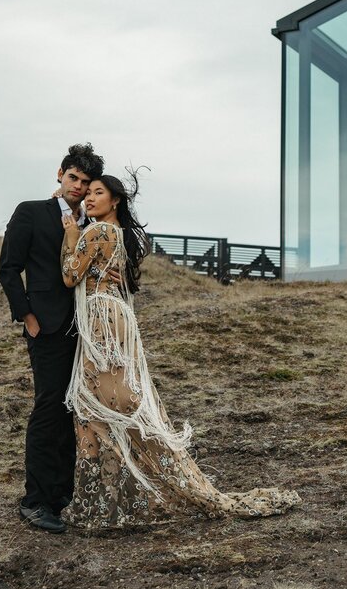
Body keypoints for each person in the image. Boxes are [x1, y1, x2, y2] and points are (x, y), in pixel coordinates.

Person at [59, 171, 300, 529]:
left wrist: (70, 233)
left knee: (97, 407)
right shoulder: (120, 235)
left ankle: (111, 499)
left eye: (98, 192)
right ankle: (124, 491)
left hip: (101, 321)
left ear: (116, 201)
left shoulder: (97, 231)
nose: (90, 198)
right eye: (88, 193)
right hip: (116, 317)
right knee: (106, 405)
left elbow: (69, 274)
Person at [0, 142, 105, 534]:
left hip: (88, 330)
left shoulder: (93, 223)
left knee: (72, 408)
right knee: (48, 407)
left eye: (86, 182)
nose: (78, 187)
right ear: (60, 174)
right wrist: (27, 316)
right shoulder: (30, 212)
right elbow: (8, 269)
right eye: (73, 177)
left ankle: (61, 497)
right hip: (46, 326)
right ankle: (35, 501)